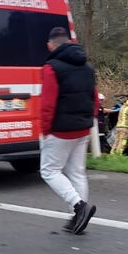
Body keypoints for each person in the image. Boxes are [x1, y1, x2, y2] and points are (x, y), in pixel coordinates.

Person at [40, 27, 98, 235]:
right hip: (83, 127)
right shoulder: (87, 67)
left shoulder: (51, 68)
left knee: (49, 171)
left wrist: (45, 130)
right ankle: (77, 218)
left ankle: (79, 207)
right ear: (70, 42)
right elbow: (94, 97)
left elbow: (47, 104)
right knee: (76, 172)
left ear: (50, 45)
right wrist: (90, 119)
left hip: (61, 130)